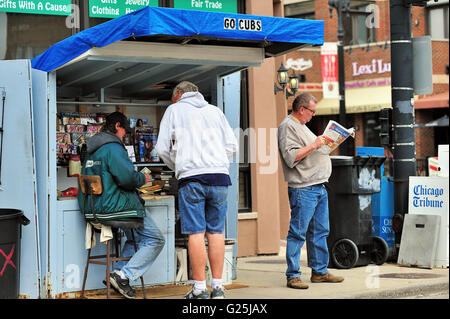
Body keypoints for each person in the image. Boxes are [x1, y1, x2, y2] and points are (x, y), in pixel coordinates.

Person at [156, 81, 238, 299]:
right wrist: (216, 162)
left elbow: (162, 148)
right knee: (216, 232)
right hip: (220, 177)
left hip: (192, 178)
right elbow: (232, 146)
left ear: (179, 94)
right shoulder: (215, 111)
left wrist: (179, 167)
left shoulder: (174, 110)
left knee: (196, 233)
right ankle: (218, 288)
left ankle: (200, 289)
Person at [78, 111, 165, 299]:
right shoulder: (113, 148)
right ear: (117, 126)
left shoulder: (91, 148)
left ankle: (117, 275)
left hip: (94, 208)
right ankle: (124, 274)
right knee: (156, 239)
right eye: (124, 131)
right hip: (115, 208)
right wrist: (144, 177)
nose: (125, 136)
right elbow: (127, 178)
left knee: (134, 239)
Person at [277, 93, 344, 290]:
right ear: (301, 109)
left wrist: (324, 145)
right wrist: (315, 144)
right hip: (303, 188)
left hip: (318, 186)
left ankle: (319, 272)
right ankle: (293, 275)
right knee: (298, 233)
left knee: (320, 232)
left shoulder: (302, 126)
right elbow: (291, 157)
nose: (313, 115)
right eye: (312, 111)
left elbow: (310, 152)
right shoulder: (287, 126)